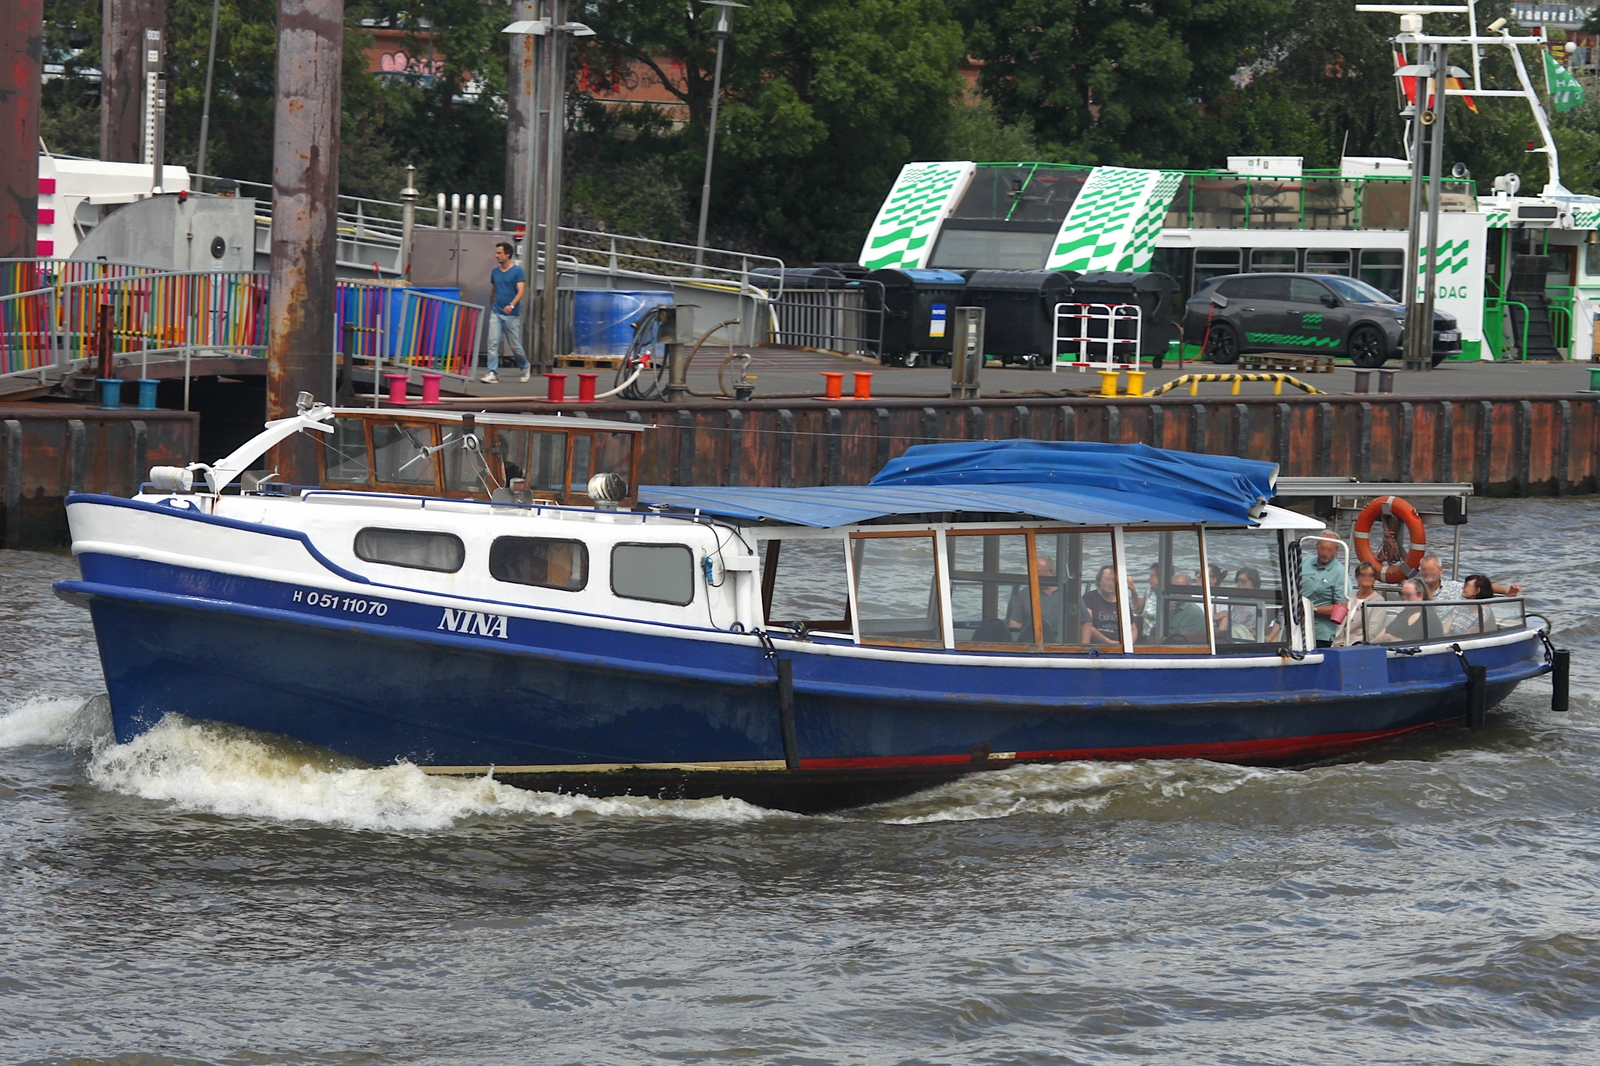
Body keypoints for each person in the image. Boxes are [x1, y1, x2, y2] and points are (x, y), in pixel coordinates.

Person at [483, 241, 530, 384]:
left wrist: (512, 305)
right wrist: (492, 307)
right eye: (496, 252)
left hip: (511, 314)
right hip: (496, 312)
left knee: (515, 346)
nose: (496, 255)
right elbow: (493, 291)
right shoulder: (495, 272)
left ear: (507, 254)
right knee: (492, 343)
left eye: (499, 253)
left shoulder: (518, 271)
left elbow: (521, 291)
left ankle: (525, 366)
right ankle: (492, 372)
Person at [1301, 530, 1348, 648]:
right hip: (1295, 624)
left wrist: (1313, 610)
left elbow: (1342, 608)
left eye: (1330, 550)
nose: (1325, 553)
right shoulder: (1304, 562)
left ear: (1336, 551)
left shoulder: (1340, 573)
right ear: (1316, 547)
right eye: (1322, 548)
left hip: (1320, 632)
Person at [1080, 565, 1139, 646]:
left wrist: (1129, 645)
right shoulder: (1089, 598)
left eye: (1114, 580)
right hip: (1098, 645)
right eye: (1107, 579)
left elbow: (1133, 629)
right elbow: (1087, 625)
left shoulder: (1122, 600)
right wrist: (1107, 642)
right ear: (1099, 580)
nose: (1111, 583)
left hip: (1121, 645)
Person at [1334, 561, 1385, 646]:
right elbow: (1340, 625)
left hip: (1359, 645)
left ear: (1374, 578)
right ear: (1357, 577)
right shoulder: (1349, 597)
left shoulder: (1378, 601)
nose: (1367, 578)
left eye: (1370, 575)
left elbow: (1372, 632)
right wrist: (1338, 643)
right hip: (1340, 644)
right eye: (1363, 575)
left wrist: (1354, 645)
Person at [1375, 578, 1429, 643]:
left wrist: (1388, 638)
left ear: (1420, 596)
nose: (1404, 597)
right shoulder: (1405, 613)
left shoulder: (1424, 614)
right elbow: (1385, 630)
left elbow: (1408, 642)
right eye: (1401, 594)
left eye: (1408, 595)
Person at [1164, 572, 1206, 643]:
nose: (1175, 591)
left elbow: (1182, 640)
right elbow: (1155, 631)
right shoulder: (1170, 607)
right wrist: (1165, 612)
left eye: (1180, 588)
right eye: (1173, 587)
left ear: (1189, 590)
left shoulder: (1192, 611)